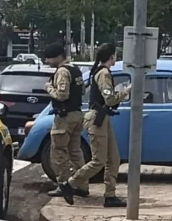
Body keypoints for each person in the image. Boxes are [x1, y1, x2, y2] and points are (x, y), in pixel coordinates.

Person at [59, 43, 131, 208]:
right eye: (115, 54)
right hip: (96, 119)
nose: (116, 57)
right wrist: (126, 91)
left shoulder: (101, 71)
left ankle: (110, 195)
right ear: (111, 56)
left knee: (113, 158)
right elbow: (109, 99)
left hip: (102, 118)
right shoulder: (104, 73)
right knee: (99, 160)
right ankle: (69, 184)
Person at [43, 43, 89, 198]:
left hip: (64, 117)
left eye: (49, 58)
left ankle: (63, 185)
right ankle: (81, 184)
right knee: (76, 152)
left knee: (59, 152)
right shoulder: (76, 69)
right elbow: (82, 90)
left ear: (58, 57)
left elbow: (62, 95)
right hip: (77, 113)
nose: (48, 62)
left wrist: (49, 88)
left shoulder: (62, 71)